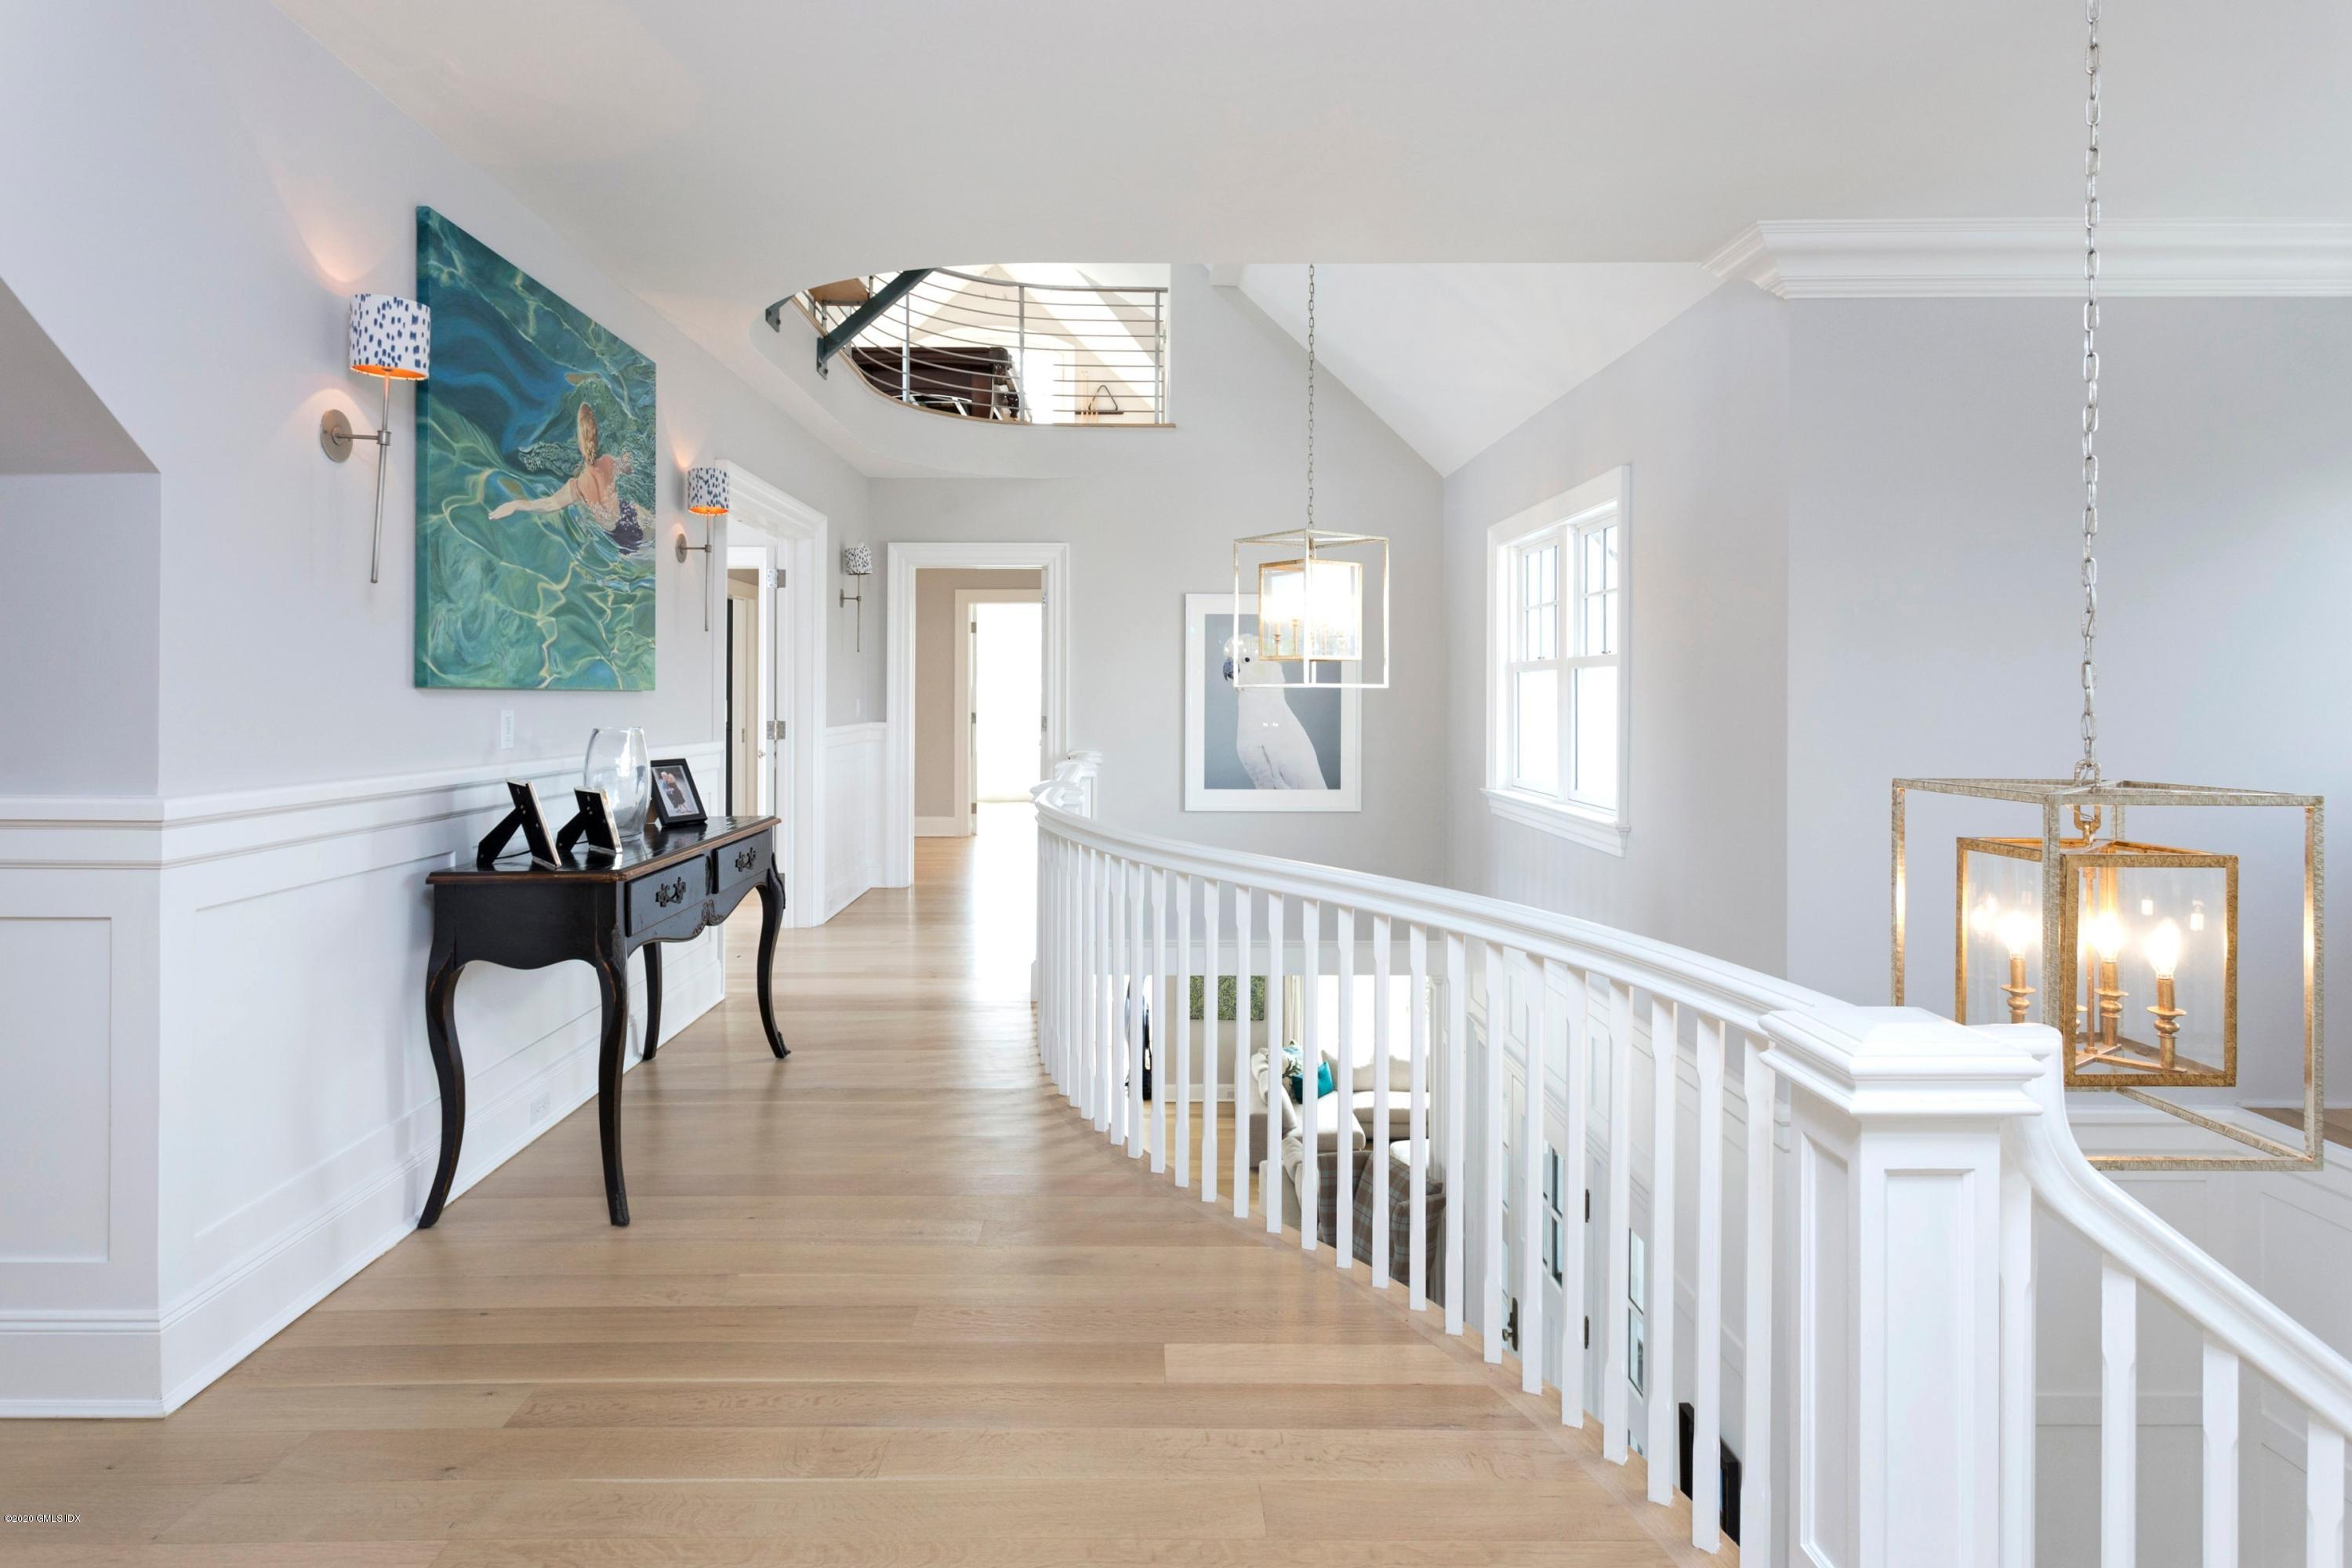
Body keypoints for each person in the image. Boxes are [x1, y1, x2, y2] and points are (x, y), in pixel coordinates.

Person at [487, 401, 644, 550]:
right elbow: (628, 468)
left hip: (617, 535)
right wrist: (626, 456)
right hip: (629, 513)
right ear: (596, 436)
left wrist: (516, 505)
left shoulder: (577, 486)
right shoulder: (608, 461)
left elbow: (548, 504)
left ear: (580, 441)